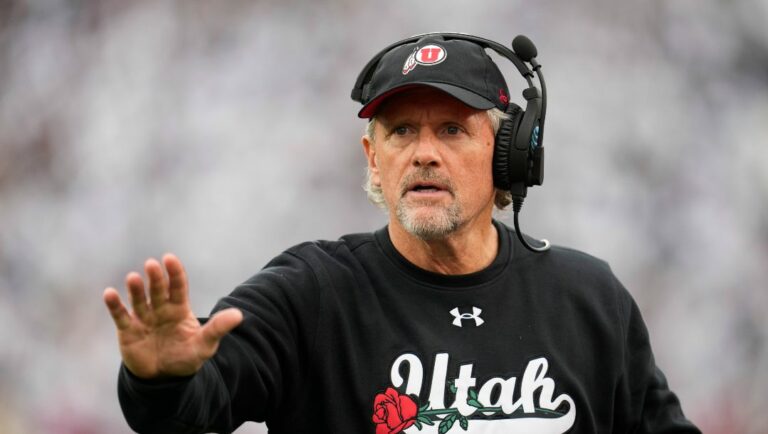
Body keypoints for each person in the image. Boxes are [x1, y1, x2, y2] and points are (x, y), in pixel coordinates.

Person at [103, 33, 701, 434]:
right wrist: (162, 378)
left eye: (451, 130)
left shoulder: (589, 299)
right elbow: (198, 404)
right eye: (401, 132)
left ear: (508, 156)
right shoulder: (311, 293)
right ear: (373, 158)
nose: (423, 154)